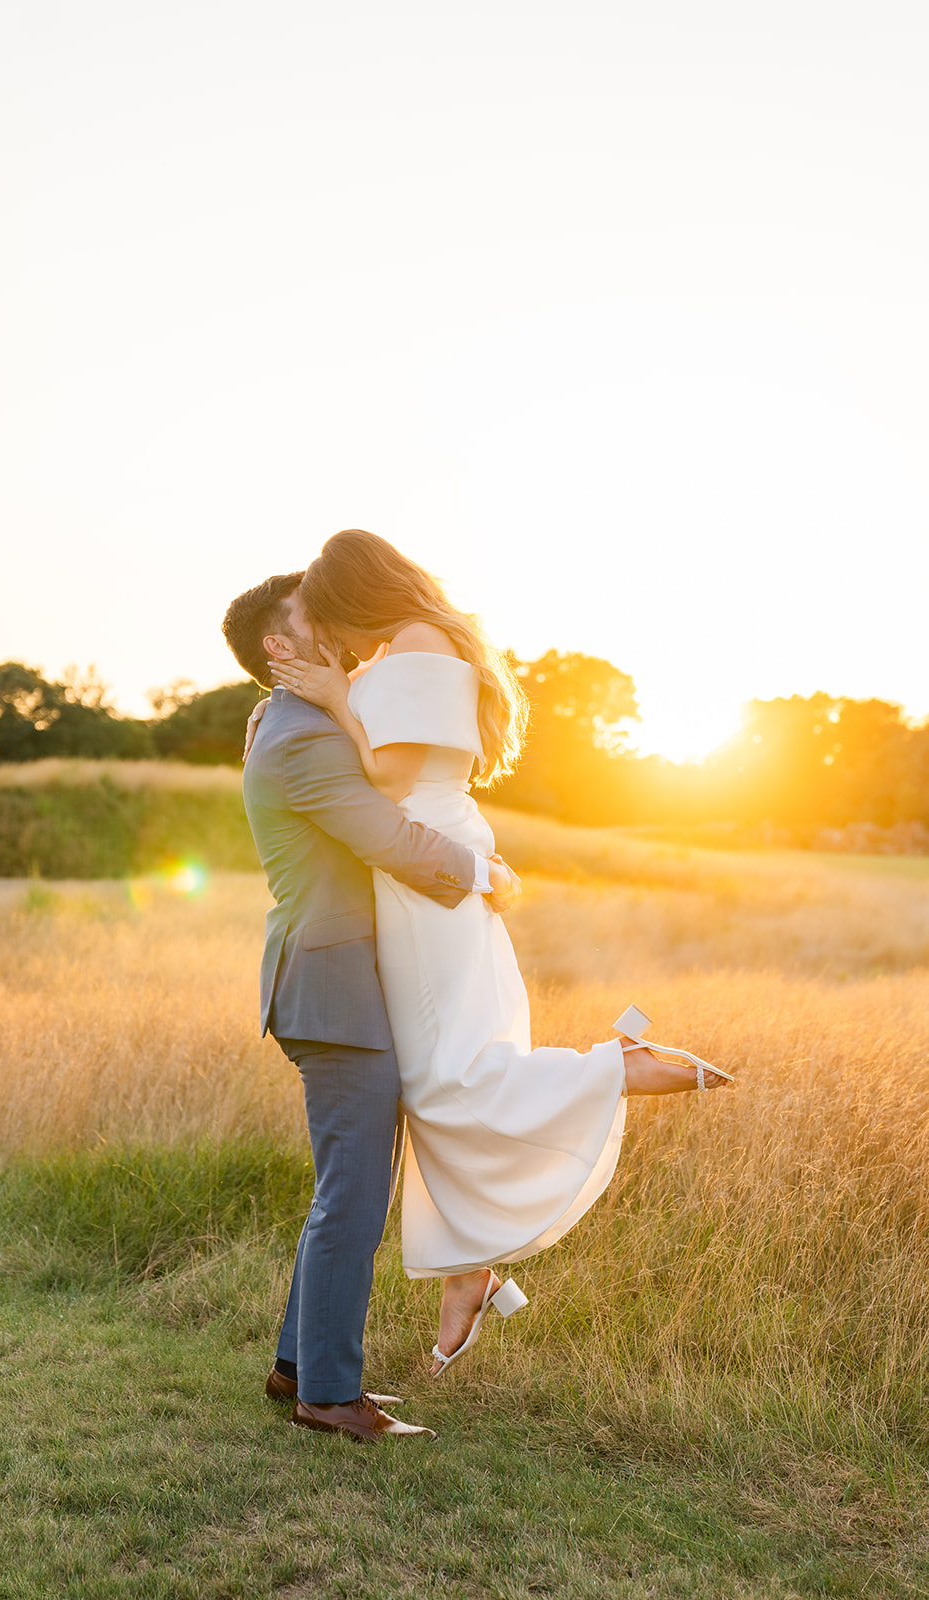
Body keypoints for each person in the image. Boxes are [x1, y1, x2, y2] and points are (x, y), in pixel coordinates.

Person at [263, 529, 732, 1378]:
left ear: (356, 595)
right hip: (430, 857)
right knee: (436, 1072)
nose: (331, 636)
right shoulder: (424, 641)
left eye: (331, 614)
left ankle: (611, 1070)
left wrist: (336, 700)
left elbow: (388, 784)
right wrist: (336, 694)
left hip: (423, 862)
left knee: (447, 1073)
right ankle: (468, 1268)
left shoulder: (411, 648)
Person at [222, 573, 521, 1443]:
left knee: (345, 1186)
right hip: (334, 984)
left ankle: (297, 1368)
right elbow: (387, 837)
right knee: (353, 1192)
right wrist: (485, 874)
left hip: (337, 980)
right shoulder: (297, 736)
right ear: (279, 646)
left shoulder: (300, 720)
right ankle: (329, 1395)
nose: (341, 626)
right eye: (316, 616)